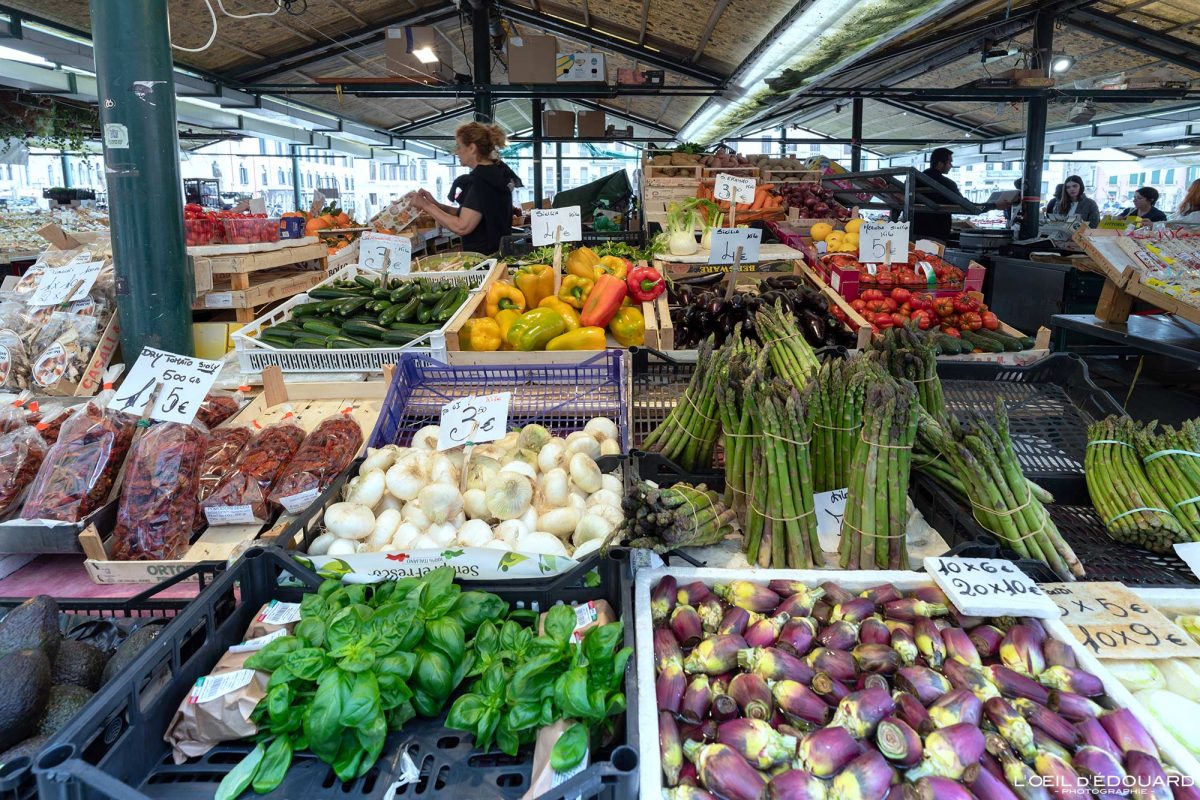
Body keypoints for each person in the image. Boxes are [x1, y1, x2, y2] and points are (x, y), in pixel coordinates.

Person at [409, 122, 524, 254]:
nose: (456, 151)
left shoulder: (482, 180)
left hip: (485, 260)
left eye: (459, 146)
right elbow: (473, 213)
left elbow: (462, 226)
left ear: (472, 148)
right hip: (498, 253)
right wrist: (436, 204)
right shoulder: (495, 173)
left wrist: (425, 206)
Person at [910, 147, 1009, 241]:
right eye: (950, 162)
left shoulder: (914, 179)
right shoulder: (947, 184)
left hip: (912, 233)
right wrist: (995, 205)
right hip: (934, 235)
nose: (951, 165)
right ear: (940, 164)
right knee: (930, 259)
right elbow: (968, 207)